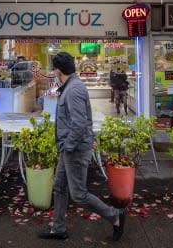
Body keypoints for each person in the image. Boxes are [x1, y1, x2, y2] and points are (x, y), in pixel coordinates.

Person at [38, 52, 125, 241]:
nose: (53, 73)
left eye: (54, 70)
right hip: (69, 148)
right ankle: (59, 228)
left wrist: (68, 147)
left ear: (59, 71)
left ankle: (115, 215)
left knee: (78, 194)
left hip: (75, 149)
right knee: (60, 186)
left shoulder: (74, 90)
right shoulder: (69, 87)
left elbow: (79, 124)